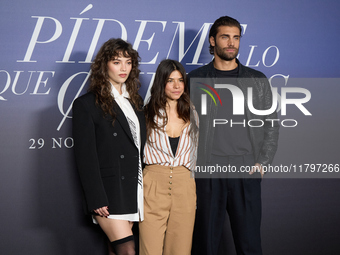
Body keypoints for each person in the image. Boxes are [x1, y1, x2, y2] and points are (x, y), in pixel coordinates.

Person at [188, 16, 279, 255]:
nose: (231, 43)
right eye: (225, 37)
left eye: (236, 37)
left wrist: (262, 163)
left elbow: (272, 125)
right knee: (205, 244)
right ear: (212, 40)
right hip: (208, 170)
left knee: (249, 245)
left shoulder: (257, 80)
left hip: (245, 169)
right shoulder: (194, 80)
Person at [72, 38, 146, 255]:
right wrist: (96, 196)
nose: (123, 68)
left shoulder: (136, 102)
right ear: (104, 65)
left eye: (128, 62)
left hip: (134, 189)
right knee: (127, 250)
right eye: (116, 62)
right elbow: (85, 156)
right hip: (109, 193)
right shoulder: (87, 104)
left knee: (116, 250)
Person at [139, 59, 199, 255]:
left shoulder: (194, 114)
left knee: (180, 250)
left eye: (180, 80)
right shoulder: (145, 113)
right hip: (152, 184)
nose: (176, 86)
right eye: (170, 80)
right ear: (160, 83)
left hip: (185, 185)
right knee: (150, 250)